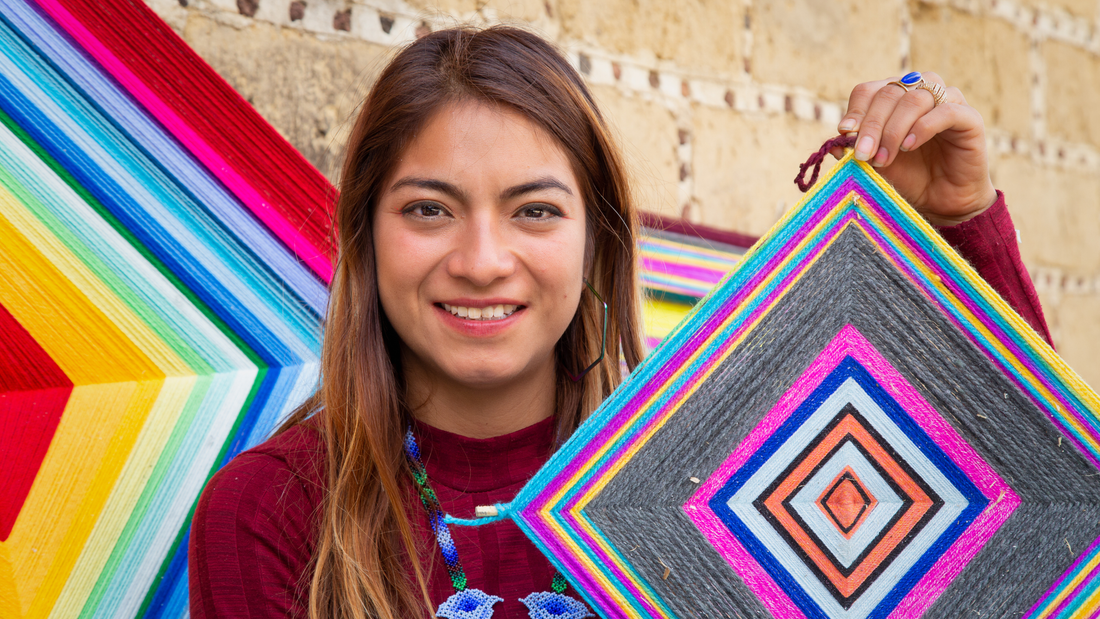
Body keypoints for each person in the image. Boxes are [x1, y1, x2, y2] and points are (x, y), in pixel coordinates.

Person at [188, 25, 1050, 619]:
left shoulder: (738, 470)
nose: (483, 259)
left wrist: (960, 221)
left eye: (533, 211)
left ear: (598, 239)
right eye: (428, 209)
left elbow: (1036, 511)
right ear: (367, 237)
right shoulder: (272, 511)